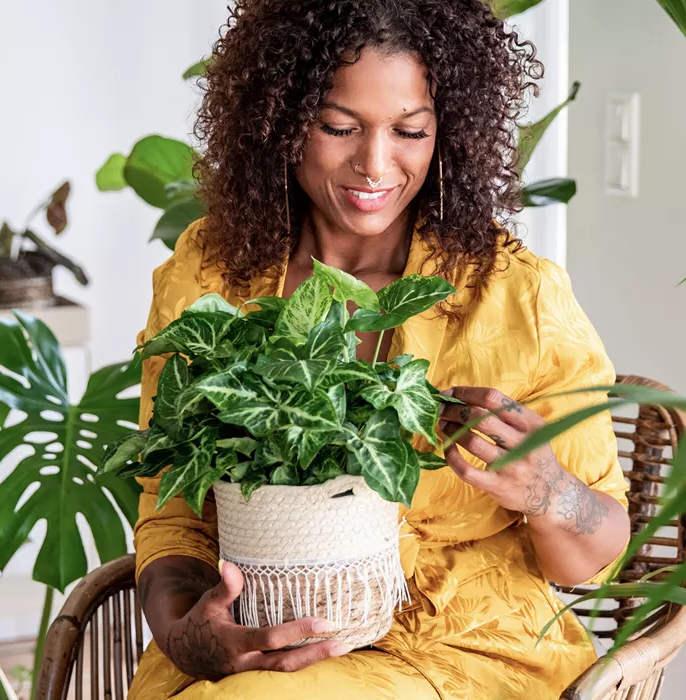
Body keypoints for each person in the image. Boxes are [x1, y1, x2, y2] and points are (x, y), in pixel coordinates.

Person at [128, 1, 631, 698]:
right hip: (258, 642)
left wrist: (548, 492)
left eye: (410, 131)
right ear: (281, 120)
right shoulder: (212, 275)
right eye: (339, 126)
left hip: (462, 654)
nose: (374, 163)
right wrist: (187, 632)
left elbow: (599, 553)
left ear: (446, 133)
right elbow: (171, 505)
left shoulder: (518, 297)